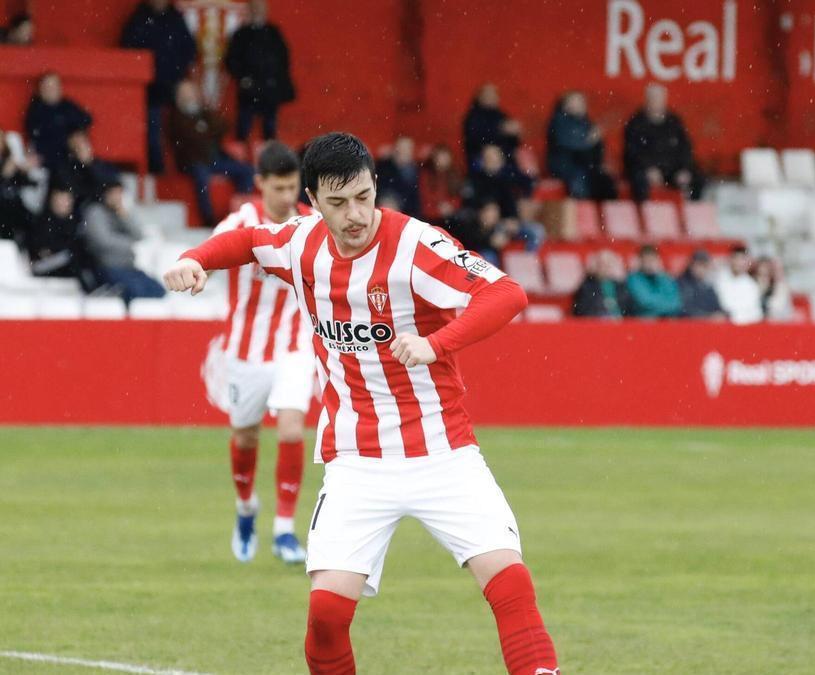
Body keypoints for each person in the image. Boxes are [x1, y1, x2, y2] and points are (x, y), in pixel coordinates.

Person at [164, 131, 558, 675]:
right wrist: (194, 259)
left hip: (443, 451)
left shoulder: (416, 245)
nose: (355, 214)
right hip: (356, 460)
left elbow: (505, 293)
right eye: (337, 202)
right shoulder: (301, 244)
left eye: (364, 197)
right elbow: (249, 242)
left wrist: (435, 343)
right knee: (325, 614)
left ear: (375, 187)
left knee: (510, 584)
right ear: (312, 199)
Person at [196, 141, 314, 565]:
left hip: (295, 345)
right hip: (244, 352)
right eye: (279, 188)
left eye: (292, 188)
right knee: (245, 435)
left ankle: (284, 528)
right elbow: (208, 258)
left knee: (290, 428)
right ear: (260, 184)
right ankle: (246, 507)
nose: (287, 197)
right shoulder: (240, 222)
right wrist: (196, 269)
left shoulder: (311, 225)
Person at [121, 0, 197, 174]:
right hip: (150, 90)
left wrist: (180, 76)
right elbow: (128, 50)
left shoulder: (176, 18)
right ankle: (158, 174)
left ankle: (189, 169)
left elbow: (190, 49)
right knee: (153, 136)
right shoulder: (139, 19)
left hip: (175, 88)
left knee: (187, 130)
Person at [167, 80, 255, 226]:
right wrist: (203, 129)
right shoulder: (175, 116)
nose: (189, 97)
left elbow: (222, 126)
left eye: (191, 93)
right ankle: (208, 218)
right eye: (185, 94)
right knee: (201, 177)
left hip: (214, 161)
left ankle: (241, 211)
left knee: (247, 170)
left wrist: (203, 123)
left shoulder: (204, 114)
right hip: (192, 162)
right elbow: (189, 138)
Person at [80, 180, 166, 304]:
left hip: (129, 267)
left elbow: (139, 235)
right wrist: (130, 243)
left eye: (119, 193)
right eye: (114, 193)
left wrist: (124, 216)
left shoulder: (121, 212)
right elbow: (103, 241)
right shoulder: (95, 212)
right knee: (137, 292)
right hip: (106, 267)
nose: (117, 197)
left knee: (158, 291)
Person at [224, 0, 295, 141]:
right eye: (255, 8)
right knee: (243, 130)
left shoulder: (274, 32)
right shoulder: (241, 34)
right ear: (249, 10)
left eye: (261, 8)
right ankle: (240, 161)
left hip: (270, 89)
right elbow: (231, 60)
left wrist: (276, 81)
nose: (258, 12)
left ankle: (268, 159)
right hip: (249, 89)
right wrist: (243, 78)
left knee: (269, 131)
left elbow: (284, 58)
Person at [623, 83, 704, 201]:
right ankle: (645, 213)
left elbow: (685, 148)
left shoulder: (674, 122)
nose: (656, 102)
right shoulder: (636, 123)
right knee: (639, 181)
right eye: (653, 99)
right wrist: (648, 168)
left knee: (697, 178)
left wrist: (684, 168)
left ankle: (691, 211)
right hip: (644, 169)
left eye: (659, 99)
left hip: (671, 169)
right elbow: (632, 152)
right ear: (647, 100)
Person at [26, 181, 98, 291]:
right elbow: (41, 249)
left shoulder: (74, 222)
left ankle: (97, 286)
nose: (66, 203)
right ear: (53, 199)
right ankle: (90, 290)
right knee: (74, 257)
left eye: (68, 199)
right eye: (62, 199)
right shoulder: (42, 221)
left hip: (66, 263)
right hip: (45, 265)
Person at [547, 90, 614, 200]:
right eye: (575, 102)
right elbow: (571, 145)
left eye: (581, 102)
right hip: (565, 165)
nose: (579, 105)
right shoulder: (559, 121)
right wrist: (590, 140)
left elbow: (595, 150)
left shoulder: (585, 122)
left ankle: (604, 213)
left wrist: (598, 160)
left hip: (584, 165)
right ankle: (581, 209)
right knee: (579, 180)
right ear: (565, 105)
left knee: (605, 180)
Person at [24, 72, 93, 170]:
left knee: (81, 144)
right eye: (47, 87)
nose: (51, 90)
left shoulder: (67, 105)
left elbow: (86, 120)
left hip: (70, 154)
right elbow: (38, 135)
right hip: (48, 156)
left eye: (54, 86)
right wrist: (67, 139)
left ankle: (88, 173)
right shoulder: (36, 109)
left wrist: (76, 136)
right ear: (40, 90)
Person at [54, 130, 119, 213]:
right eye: (76, 145)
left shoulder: (100, 164)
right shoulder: (66, 170)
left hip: (104, 208)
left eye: (83, 143)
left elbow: (111, 183)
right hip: (84, 212)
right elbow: (77, 195)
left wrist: (89, 164)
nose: (81, 147)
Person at [462, 82, 522, 165]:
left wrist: (515, 133)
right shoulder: (473, 117)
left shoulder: (501, 115)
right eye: (488, 95)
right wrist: (501, 129)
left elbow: (514, 143)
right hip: (480, 160)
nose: (492, 97)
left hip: (506, 160)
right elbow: (476, 137)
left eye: (494, 94)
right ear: (480, 97)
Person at [626, 244, 682, 318]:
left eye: (652, 260)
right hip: (645, 322)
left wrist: (660, 276)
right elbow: (644, 302)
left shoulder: (665, 278)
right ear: (640, 261)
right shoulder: (633, 278)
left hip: (667, 320)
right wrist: (666, 305)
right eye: (647, 260)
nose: (650, 263)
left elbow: (676, 302)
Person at [572, 249, 630, 318]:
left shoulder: (620, 286)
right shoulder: (586, 286)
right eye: (601, 264)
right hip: (596, 324)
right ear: (595, 266)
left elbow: (628, 309)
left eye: (608, 264)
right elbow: (582, 311)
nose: (604, 267)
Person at [714, 245, 762, 325]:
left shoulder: (751, 286)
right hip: (719, 326)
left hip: (741, 328)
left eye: (742, 259)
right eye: (736, 258)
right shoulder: (719, 279)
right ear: (730, 259)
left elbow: (756, 314)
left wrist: (732, 316)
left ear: (747, 262)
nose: (738, 263)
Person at [375, 135, 421, 217]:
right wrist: (386, 199)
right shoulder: (383, 166)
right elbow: (377, 186)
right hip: (384, 208)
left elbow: (416, 200)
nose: (404, 151)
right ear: (395, 148)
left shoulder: (417, 171)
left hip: (408, 213)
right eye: (401, 148)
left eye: (407, 148)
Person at [419, 143, 463, 224]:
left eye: (446, 157)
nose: (443, 160)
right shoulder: (426, 175)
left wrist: (451, 206)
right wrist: (438, 210)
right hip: (431, 217)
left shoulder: (455, 175)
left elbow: (458, 197)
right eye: (440, 157)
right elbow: (425, 198)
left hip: (451, 216)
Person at [676, 250, 724, 319]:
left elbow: (717, 307)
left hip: (707, 325)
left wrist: (722, 314)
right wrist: (708, 317)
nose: (702, 269)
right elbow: (684, 310)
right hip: (689, 326)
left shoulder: (708, 286)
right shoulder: (681, 283)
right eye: (699, 265)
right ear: (691, 265)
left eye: (705, 266)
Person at [754, 256, 793, 322]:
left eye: (766, 274)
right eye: (760, 274)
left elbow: (777, 308)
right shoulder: (753, 287)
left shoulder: (781, 287)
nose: (763, 278)